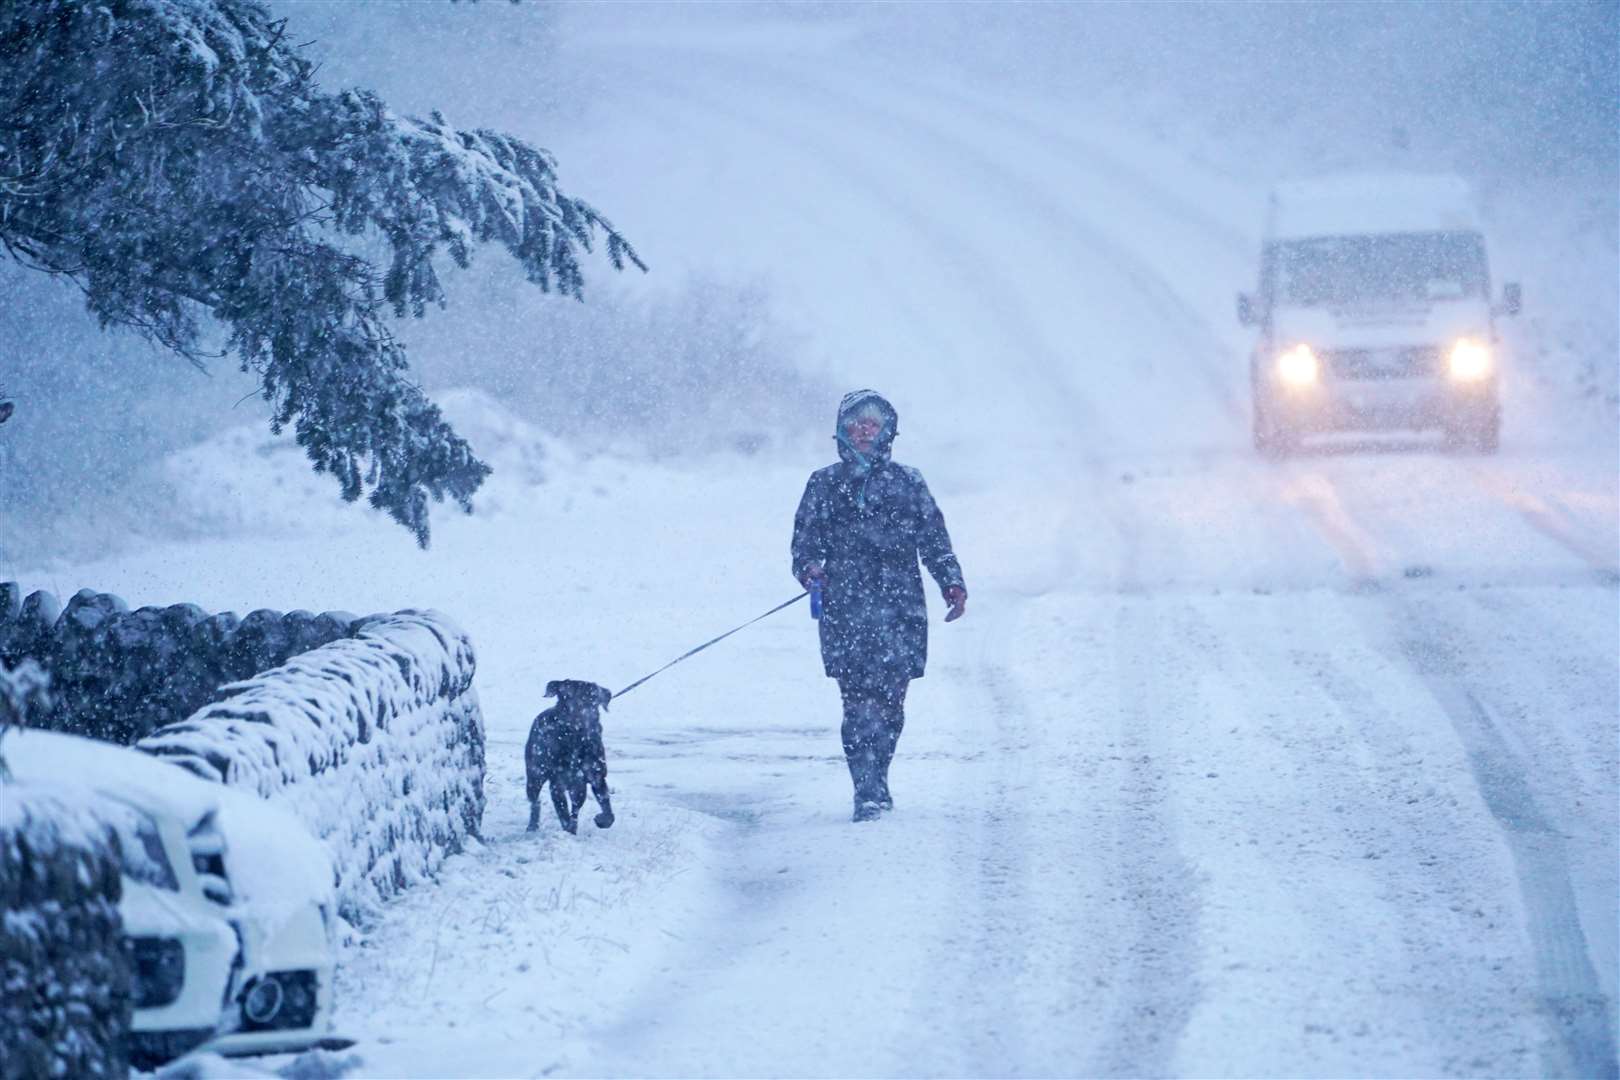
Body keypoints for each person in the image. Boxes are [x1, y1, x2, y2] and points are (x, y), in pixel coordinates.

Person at [791, 389, 967, 822]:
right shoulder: (823, 483)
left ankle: (879, 775)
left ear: (888, 429)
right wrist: (811, 570)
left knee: (890, 704)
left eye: (874, 421)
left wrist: (952, 582)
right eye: (857, 420)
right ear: (842, 428)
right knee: (857, 703)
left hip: (901, 606)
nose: (865, 428)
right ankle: (865, 790)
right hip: (845, 607)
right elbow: (804, 545)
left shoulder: (910, 482)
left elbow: (934, 539)